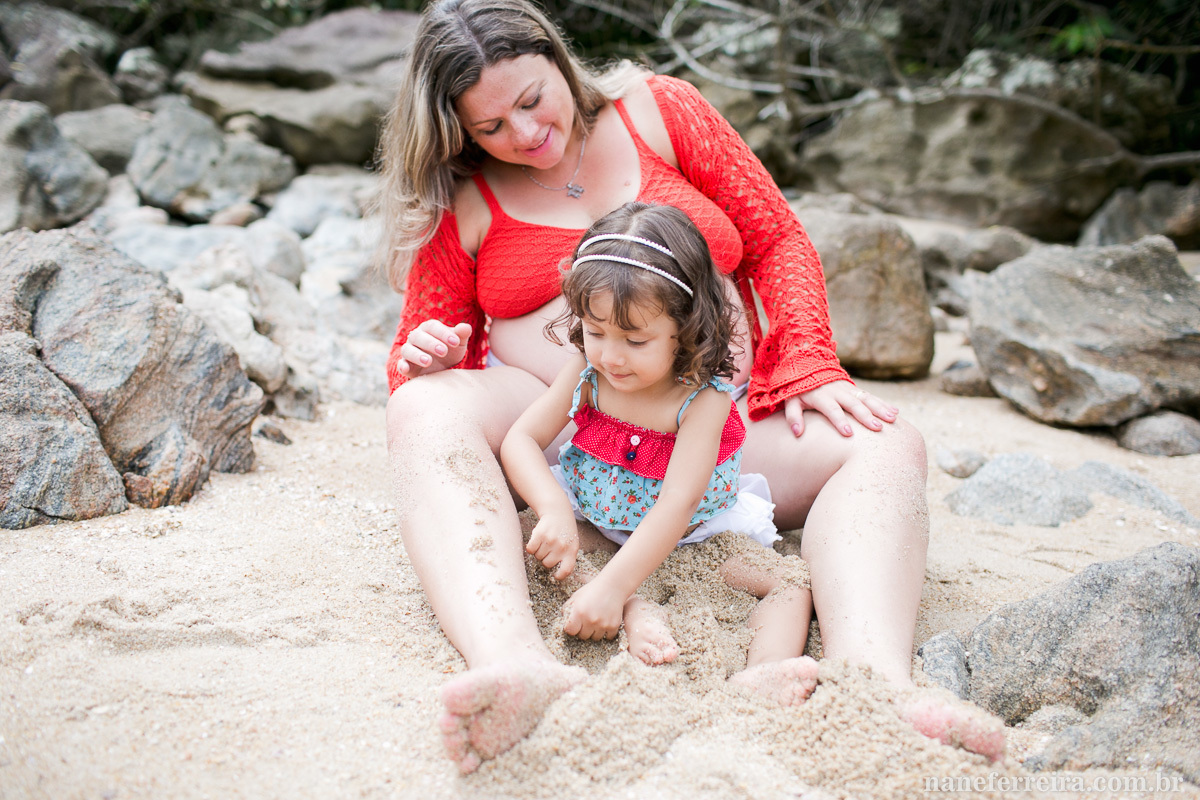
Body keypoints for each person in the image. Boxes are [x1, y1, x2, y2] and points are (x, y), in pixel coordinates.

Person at [375, 0, 1005, 775]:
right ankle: (513, 660)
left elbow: (777, 237)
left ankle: (875, 681)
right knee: (422, 405)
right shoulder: (464, 196)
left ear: (558, 59)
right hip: (574, 435)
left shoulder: (662, 111)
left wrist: (805, 358)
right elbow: (417, 343)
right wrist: (426, 354)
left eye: (533, 100)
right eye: (491, 127)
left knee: (885, 442)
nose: (526, 135)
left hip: (715, 428)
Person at [501, 202, 817, 696]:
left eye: (636, 339)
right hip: (598, 526)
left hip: (694, 538)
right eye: (597, 331)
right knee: (522, 537)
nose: (610, 354)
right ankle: (633, 605)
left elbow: (678, 503)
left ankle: (764, 669)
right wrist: (552, 508)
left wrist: (612, 584)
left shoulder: (701, 397)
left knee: (791, 585)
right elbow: (520, 439)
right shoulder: (588, 369)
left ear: (685, 328)